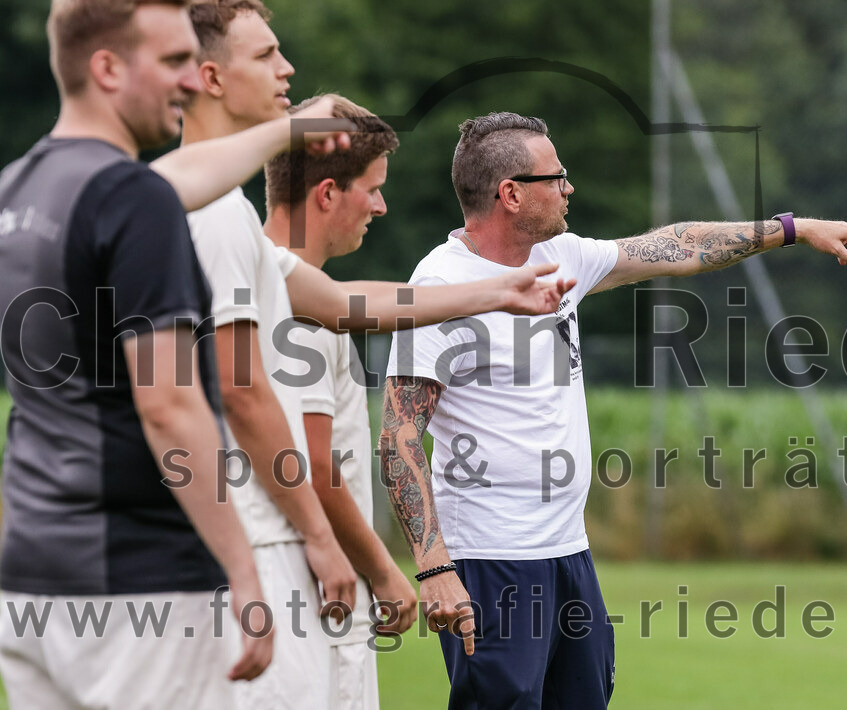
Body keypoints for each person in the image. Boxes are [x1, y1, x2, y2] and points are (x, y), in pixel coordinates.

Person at [379, 111, 847, 709]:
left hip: (567, 550)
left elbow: (677, 247)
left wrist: (794, 227)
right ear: (511, 194)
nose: (569, 187)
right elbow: (398, 436)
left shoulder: (562, 256)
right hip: (492, 558)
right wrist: (434, 567)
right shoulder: (440, 285)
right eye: (556, 176)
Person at [182, 4, 574, 707]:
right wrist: (366, 561)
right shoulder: (211, 218)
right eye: (266, 54)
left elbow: (343, 304)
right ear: (208, 75)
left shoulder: (238, 224)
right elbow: (283, 429)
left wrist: (497, 290)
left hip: (291, 560)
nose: (287, 68)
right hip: (283, 561)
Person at [0, 1, 276, 707]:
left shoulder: (19, 188)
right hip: (139, 585)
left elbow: (183, 178)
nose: (190, 82)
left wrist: (295, 127)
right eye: (175, 62)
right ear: (107, 67)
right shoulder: (132, 198)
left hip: (30, 577)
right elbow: (169, 407)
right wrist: (243, 571)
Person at [263, 94, 417, 710]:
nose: (380, 205)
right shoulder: (295, 313)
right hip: (307, 584)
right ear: (327, 193)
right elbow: (313, 464)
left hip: (300, 579)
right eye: (372, 189)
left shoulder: (281, 284)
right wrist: (383, 571)